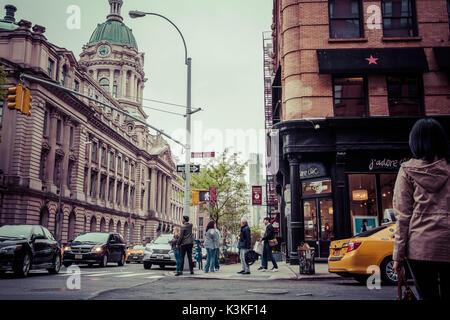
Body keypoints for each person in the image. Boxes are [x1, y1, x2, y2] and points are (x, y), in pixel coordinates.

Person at [393, 118, 450, 300]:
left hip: (420, 247)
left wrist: (398, 256)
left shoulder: (407, 171)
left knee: (428, 296)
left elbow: (402, 217)